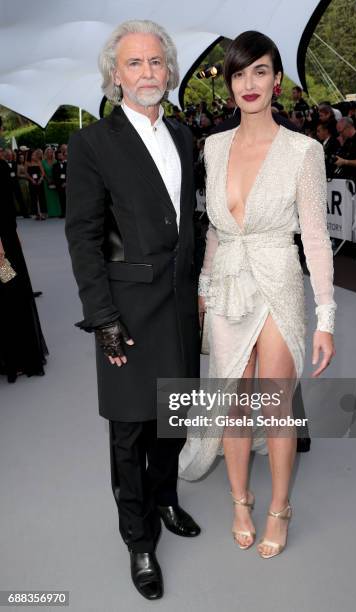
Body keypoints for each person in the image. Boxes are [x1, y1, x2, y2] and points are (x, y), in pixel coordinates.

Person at [179, 31, 336, 559]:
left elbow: (314, 236)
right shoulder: (214, 146)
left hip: (278, 280)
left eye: (261, 71)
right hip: (227, 282)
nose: (250, 84)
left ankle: (280, 506)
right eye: (240, 74)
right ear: (229, 83)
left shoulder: (303, 150)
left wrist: (327, 317)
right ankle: (241, 500)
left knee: (274, 404)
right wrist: (203, 288)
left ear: (276, 80)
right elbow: (218, 230)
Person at [65, 19, 200, 601]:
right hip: (125, 309)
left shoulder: (186, 136)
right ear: (115, 76)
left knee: (173, 416)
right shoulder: (93, 143)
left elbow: (189, 222)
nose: (147, 73)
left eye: (155, 62)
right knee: (128, 430)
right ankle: (137, 538)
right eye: (134, 64)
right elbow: (83, 235)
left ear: (168, 70)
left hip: (179, 306)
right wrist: (103, 318)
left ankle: (166, 497)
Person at [0, 151, 48, 382]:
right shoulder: (0, 168)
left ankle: (11, 359)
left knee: (9, 295)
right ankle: (16, 359)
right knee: (11, 297)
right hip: (2, 248)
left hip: (5, 244)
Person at [42, 147, 61, 218]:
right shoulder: (43, 162)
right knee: (48, 198)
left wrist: (54, 180)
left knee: (56, 196)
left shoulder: (55, 161)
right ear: (46, 153)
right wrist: (47, 179)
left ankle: (57, 212)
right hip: (46, 181)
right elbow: (43, 172)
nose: (49, 153)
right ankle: (50, 213)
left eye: (51, 152)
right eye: (48, 152)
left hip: (55, 180)